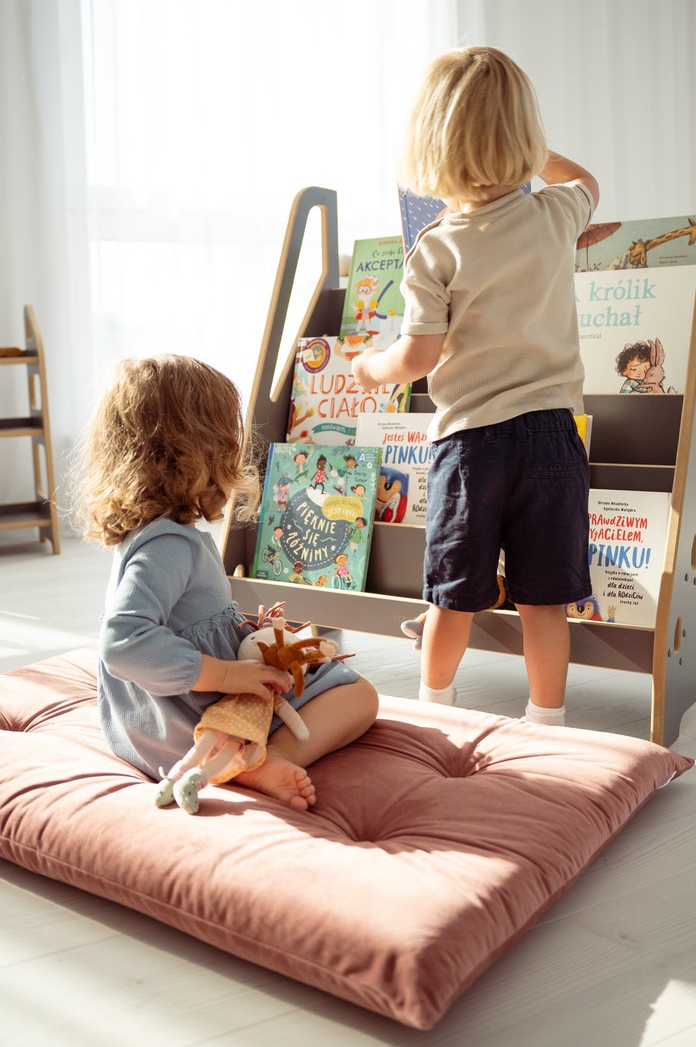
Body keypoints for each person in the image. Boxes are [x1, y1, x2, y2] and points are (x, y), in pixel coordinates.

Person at [351, 46, 599, 726]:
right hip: (554, 438)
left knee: (452, 596)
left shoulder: (435, 247)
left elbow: (418, 358)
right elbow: (585, 180)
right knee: (544, 601)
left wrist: (370, 367)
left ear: (429, 149)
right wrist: (532, 152)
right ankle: (546, 720)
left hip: (471, 445)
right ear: (527, 138)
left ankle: (435, 708)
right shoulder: (554, 216)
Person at [72, 354, 378, 808]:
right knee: (359, 696)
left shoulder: (151, 533)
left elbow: (184, 620)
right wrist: (227, 673)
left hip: (144, 731)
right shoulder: (170, 545)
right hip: (192, 719)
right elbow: (121, 641)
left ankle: (235, 756)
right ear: (202, 449)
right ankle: (259, 760)